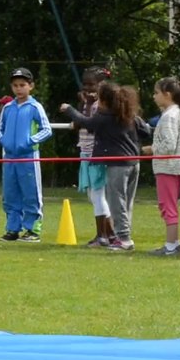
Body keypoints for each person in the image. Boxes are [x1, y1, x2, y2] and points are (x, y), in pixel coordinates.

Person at [61, 82, 152, 252]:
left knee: (116, 202)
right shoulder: (129, 115)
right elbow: (146, 131)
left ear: (104, 101)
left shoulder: (104, 118)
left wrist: (69, 110)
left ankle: (123, 239)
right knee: (127, 202)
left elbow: (85, 123)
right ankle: (124, 236)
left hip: (117, 166)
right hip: (134, 163)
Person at [0, 68, 52, 242]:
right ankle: (12, 229)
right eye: (15, 85)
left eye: (22, 85)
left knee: (31, 193)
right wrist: (3, 140)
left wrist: (29, 141)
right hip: (9, 158)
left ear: (31, 86)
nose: (19, 89)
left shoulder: (35, 107)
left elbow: (46, 130)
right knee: (10, 194)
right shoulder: (8, 108)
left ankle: (33, 229)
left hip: (29, 157)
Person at [145, 77, 180, 256]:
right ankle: (173, 242)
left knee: (168, 206)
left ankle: (171, 245)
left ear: (167, 94)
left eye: (156, 93)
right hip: (170, 167)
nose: (154, 96)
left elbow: (169, 145)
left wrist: (152, 149)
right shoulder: (173, 112)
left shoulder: (170, 115)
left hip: (168, 167)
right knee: (167, 205)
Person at [73, 67, 115, 247]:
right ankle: (111, 234)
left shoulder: (101, 106)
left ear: (102, 86)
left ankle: (102, 236)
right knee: (92, 195)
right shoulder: (86, 103)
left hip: (96, 154)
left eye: (92, 85)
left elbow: (91, 125)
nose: (88, 88)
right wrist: (81, 105)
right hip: (85, 152)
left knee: (98, 195)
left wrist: (88, 105)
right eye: (85, 85)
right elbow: (77, 124)